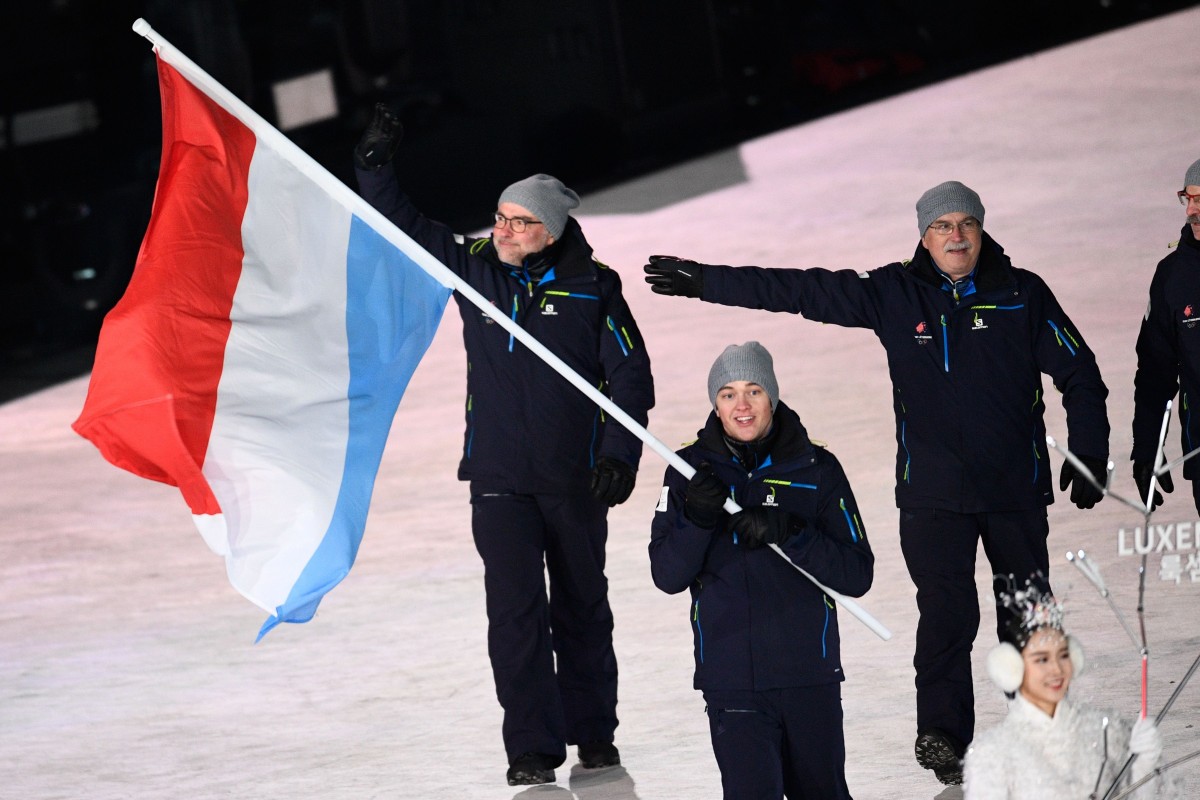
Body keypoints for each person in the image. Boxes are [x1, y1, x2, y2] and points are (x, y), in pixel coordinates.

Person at [643, 181, 1111, 785]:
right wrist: (707, 281)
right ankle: (943, 735)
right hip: (931, 495)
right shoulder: (895, 294)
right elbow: (800, 289)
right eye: (942, 226)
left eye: (966, 223)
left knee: (1028, 613)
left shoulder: (1022, 294)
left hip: (1011, 489)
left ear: (982, 230)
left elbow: (1081, 372)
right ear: (923, 235)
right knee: (944, 613)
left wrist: (1089, 453)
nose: (956, 236)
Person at [354, 104, 655, 786]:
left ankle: (595, 735)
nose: (504, 227)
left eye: (520, 220)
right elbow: (403, 226)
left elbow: (630, 374)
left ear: (549, 230)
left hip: (574, 478)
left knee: (582, 609)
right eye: (501, 215)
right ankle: (531, 749)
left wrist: (617, 455)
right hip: (498, 480)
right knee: (514, 617)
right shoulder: (474, 268)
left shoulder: (593, 287)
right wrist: (375, 167)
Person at [649, 341, 874, 799]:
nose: (742, 405)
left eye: (753, 390)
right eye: (729, 393)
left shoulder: (816, 468)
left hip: (809, 674)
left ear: (772, 395)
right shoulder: (687, 471)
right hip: (733, 680)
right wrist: (696, 519)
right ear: (715, 402)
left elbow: (856, 573)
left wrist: (792, 531)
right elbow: (667, 575)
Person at [963, 581, 1173, 799]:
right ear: (1013, 667)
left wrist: (1143, 764)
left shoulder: (1103, 733)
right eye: (1041, 659)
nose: (1056, 669)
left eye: (1063, 655)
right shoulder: (993, 752)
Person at [1131, 157, 1200, 514]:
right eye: (1187, 198)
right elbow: (1156, 371)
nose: (1191, 210)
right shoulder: (1172, 277)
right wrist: (1147, 448)